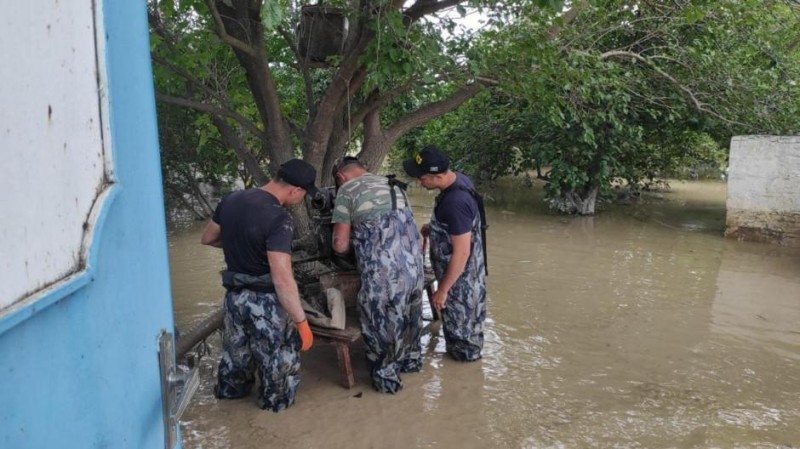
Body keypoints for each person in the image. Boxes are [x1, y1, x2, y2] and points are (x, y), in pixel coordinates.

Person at [200, 158, 317, 412]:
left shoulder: (231, 200)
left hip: (234, 299)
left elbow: (208, 237)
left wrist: (239, 243)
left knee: (235, 360)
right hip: (266, 304)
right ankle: (274, 418)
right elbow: (282, 278)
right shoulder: (279, 218)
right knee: (278, 367)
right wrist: (301, 322)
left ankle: (230, 418)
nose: (302, 199)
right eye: (304, 194)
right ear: (295, 190)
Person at [331, 157, 424, 393]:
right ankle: (411, 365)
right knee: (410, 316)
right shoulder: (394, 185)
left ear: (341, 177)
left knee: (381, 323)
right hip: (415, 270)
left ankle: (387, 383)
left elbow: (340, 244)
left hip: (384, 275)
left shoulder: (347, 190)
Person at [403, 146, 487, 362]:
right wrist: (435, 228)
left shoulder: (455, 202)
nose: (419, 182)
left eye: (421, 178)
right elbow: (463, 228)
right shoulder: (458, 181)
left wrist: (443, 290)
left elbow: (462, 252)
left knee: (463, 345)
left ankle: (464, 388)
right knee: (463, 333)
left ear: (437, 176)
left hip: (461, 284)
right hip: (467, 278)